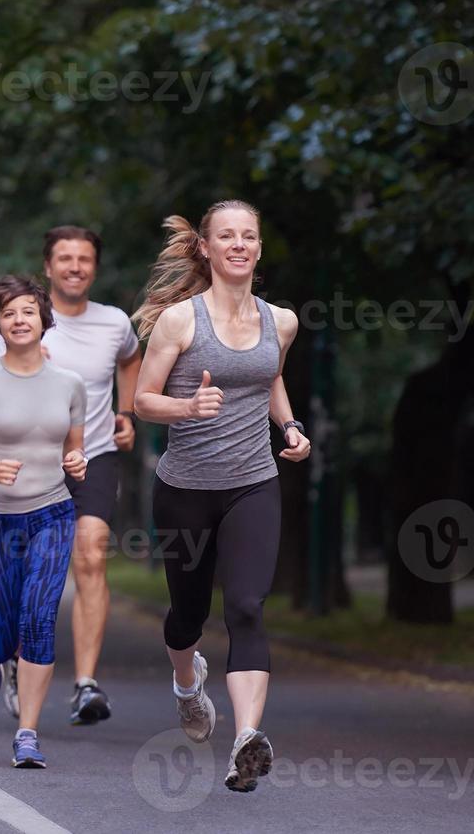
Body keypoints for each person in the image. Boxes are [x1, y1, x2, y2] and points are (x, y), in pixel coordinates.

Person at [131, 200, 311, 793]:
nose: (239, 244)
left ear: (259, 249)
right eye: (226, 236)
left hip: (253, 484)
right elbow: (142, 400)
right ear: (205, 248)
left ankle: (245, 741)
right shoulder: (180, 322)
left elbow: (271, 378)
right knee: (189, 614)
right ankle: (188, 684)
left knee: (247, 608)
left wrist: (288, 427)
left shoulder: (280, 320)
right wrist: (187, 407)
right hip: (185, 489)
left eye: (249, 236)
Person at [0, 226, 140, 725]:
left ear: (94, 267)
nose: (75, 266)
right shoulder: (25, 320)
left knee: (91, 554)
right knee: (27, 575)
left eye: (85, 258)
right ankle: (11, 660)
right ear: (48, 268)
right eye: (65, 258)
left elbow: (131, 359)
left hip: (93, 457)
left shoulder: (114, 323)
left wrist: (127, 412)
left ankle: (85, 685)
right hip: (34, 465)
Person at [0, 275, 87, 769]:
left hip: (53, 512)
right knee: (2, 631)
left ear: (44, 320)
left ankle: (27, 733)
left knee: (38, 621)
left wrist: (77, 462)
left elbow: (74, 447)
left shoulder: (70, 385)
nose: (19, 320)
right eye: (9, 314)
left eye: (28, 311)